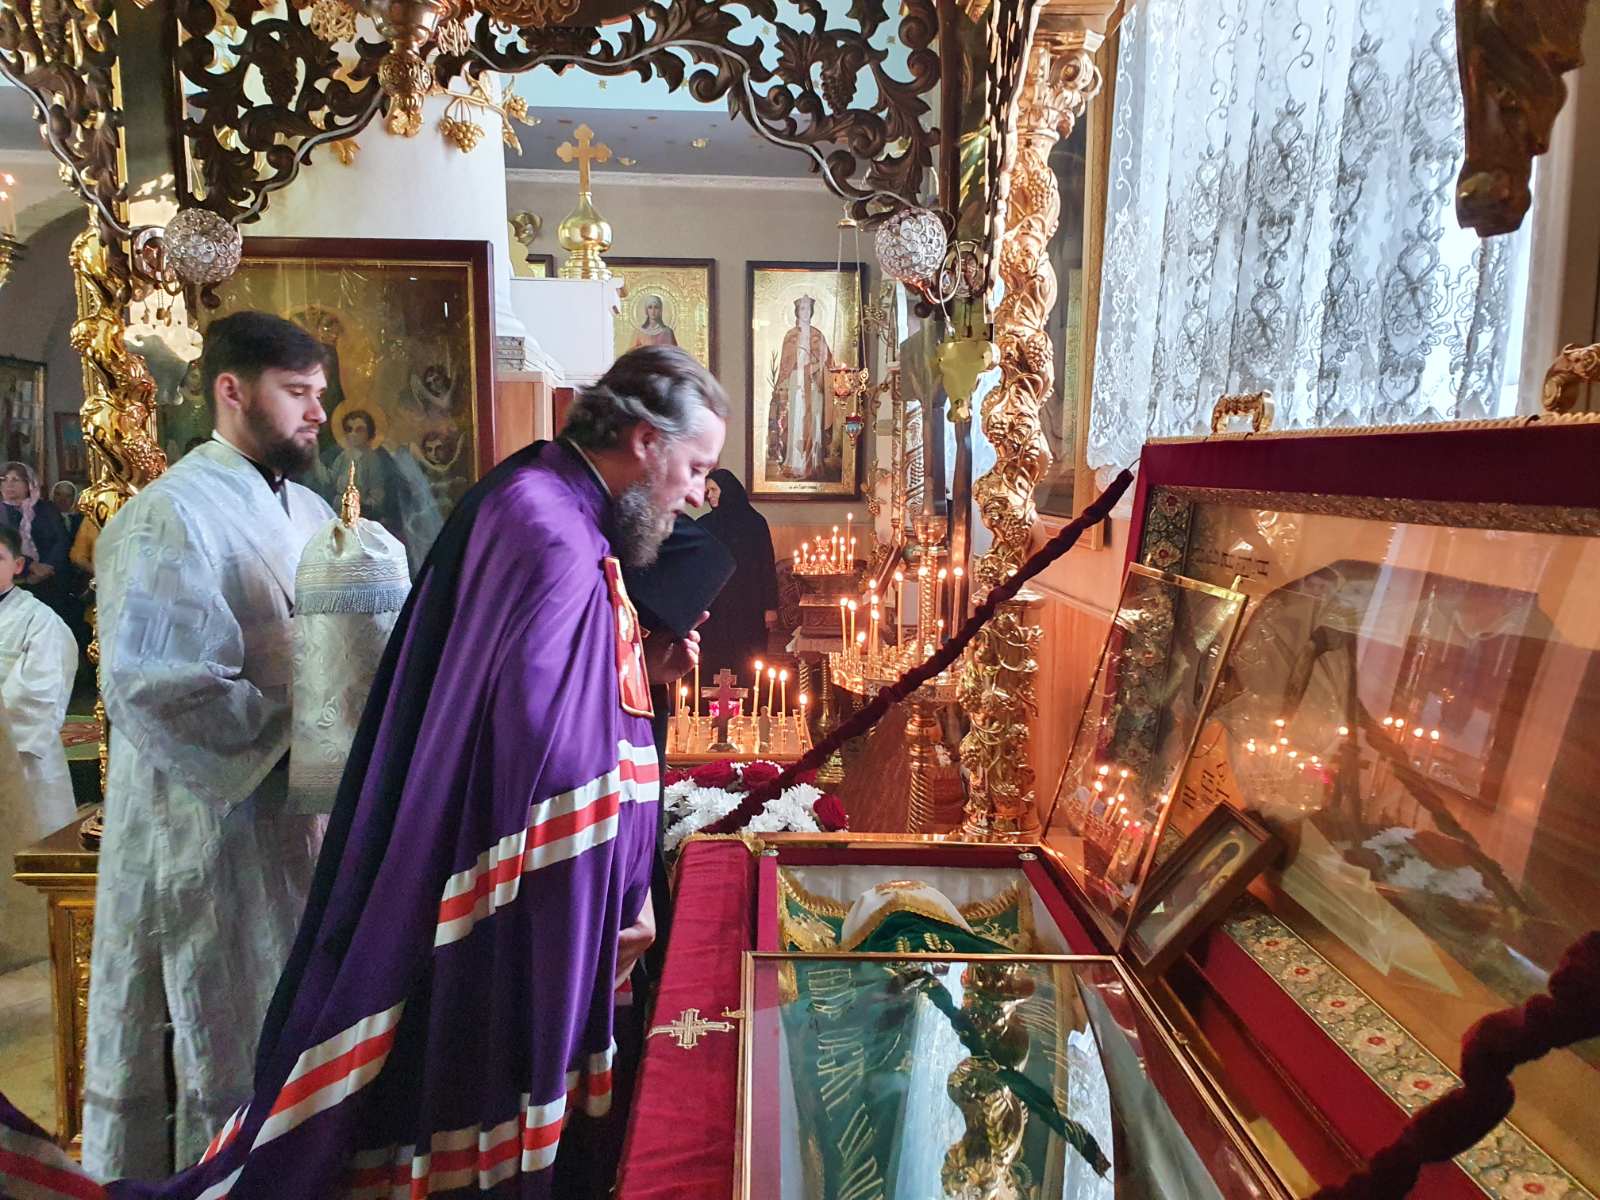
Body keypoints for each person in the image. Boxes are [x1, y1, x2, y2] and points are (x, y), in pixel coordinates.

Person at [0, 344, 726, 1199]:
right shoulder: (546, 524)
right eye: (695, 468)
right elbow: (547, 755)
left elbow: (544, 704)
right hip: (232, 818)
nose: (696, 494)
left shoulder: (551, 504)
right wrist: (613, 889)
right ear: (644, 440)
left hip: (329, 797)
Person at [81, 310, 337, 1177]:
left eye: (320, 393)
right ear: (232, 390)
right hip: (203, 824)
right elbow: (156, 683)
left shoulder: (309, 510)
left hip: (295, 814)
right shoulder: (167, 515)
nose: (318, 412)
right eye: (296, 392)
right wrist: (307, 731)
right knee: (208, 1031)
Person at [0, 524, 79, 969]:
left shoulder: (40, 621)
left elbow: (38, 695)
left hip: (18, 764)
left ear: (17, 565)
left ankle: (29, 943)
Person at [695, 468, 779, 679]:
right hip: (714, 607)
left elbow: (766, 566)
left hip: (748, 606)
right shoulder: (703, 525)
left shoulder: (755, 524)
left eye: (714, 490)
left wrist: (770, 608)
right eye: (707, 491)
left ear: (728, 490)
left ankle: (748, 699)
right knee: (713, 660)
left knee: (747, 660)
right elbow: (694, 569)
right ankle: (712, 701)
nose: (709, 495)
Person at [773, 295, 836, 480]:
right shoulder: (791, 336)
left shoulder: (818, 336)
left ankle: (814, 464)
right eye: (802, 308)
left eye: (808, 308)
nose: (805, 312)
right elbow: (786, 365)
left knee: (813, 421)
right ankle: (795, 463)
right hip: (797, 384)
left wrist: (817, 366)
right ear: (797, 311)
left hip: (814, 384)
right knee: (797, 421)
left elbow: (829, 362)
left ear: (812, 311)